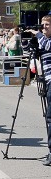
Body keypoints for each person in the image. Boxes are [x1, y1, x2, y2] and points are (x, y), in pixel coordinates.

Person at [28, 16, 51, 166]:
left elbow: (48, 46)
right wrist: (29, 42)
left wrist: (38, 34)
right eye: (42, 25)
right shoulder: (42, 39)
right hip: (47, 80)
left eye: (47, 24)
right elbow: (32, 54)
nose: (44, 27)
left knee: (50, 118)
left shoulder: (46, 40)